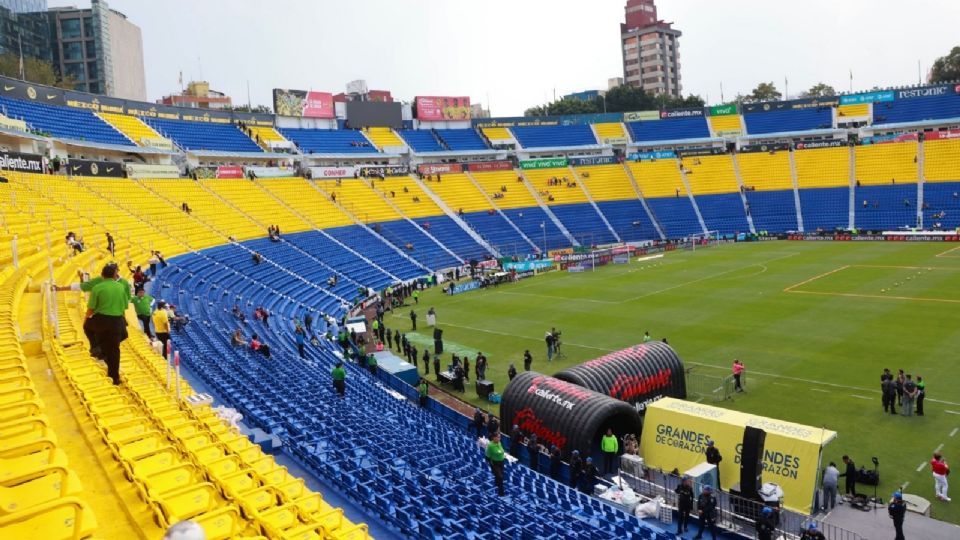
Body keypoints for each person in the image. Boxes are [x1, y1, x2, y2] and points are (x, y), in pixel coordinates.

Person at [85, 263, 131, 385]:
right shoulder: (120, 287)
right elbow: (125, 306)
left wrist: (86, 318)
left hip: (101, 320)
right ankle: (114, 377)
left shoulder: (97, 288)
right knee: (114, 349)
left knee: (87, 326)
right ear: (114, 275)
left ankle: (96, 347)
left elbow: (91, 309)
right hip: (116, 321)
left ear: (102, 275)